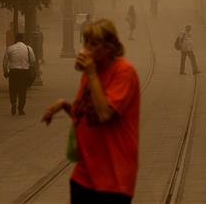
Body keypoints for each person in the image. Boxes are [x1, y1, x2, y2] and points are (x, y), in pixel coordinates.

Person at [42, 19, 140, 203]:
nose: (87, 48)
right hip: (84, 176)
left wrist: (91, 73)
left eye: (93, 44)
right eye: (85, 42)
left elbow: (104, 114)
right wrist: (64, 105)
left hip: (113, 179)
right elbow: (88, 115)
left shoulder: (123, 72)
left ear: (109, 47)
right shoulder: (91, 73)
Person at [3, 33, 36, 116]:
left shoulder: (10, 48)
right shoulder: (28, 48)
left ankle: (13, 102)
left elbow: (5, 63)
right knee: (22, 91)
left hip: (13, 72)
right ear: (23, 39)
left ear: (15, 39)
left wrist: (5, 72)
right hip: (24, 72)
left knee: (13, 89)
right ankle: (21, 109)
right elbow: (33, 61)